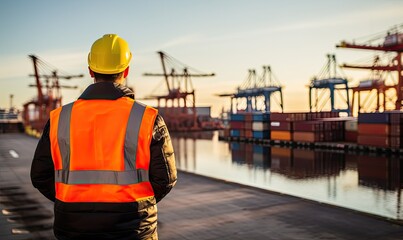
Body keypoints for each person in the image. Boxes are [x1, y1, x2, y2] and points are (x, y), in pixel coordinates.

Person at [31, 34, 177, 240]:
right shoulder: (147, 117)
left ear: (90, 70)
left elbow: (40, 175)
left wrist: (71, 206)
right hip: (133, 229)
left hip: (73, 227)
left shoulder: (60, 118)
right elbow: (165, 179)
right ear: (126, 70)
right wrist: (135, 208)